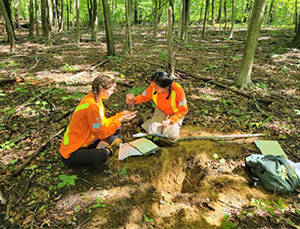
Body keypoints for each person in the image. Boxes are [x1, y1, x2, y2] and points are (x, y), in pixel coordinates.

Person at [59, 74, 137, 168]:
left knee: (116, 127)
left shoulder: (97, 100)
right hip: (72, 153)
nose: (112, 93)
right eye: (111, 90)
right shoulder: (91, 106)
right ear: (103, 91)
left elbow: (103, 123)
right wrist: (119, 120)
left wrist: (120, 116)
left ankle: (102, 147)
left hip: (88, 140)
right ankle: (108, 150)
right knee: (101, 155)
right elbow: (100, 133)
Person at [129, 70, 188, 139]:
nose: (153, 87)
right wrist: (134, 99)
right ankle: (147, 120)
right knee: (153, 134)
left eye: (156, 87)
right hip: (161, 110)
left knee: (171, 135)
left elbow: (183, 110)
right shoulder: (152, 87)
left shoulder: (178, 90)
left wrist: (170, 120)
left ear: (165, 87)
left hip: (175, 113)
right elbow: (143, 96)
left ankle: (150, 120)